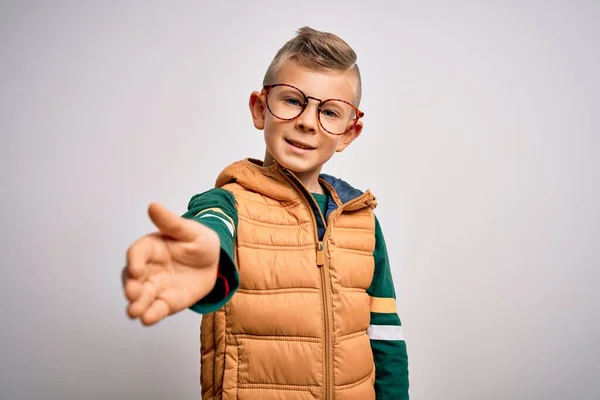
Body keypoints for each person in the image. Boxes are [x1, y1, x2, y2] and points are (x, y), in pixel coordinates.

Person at [122, 26, 409, 400]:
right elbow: (209, 229)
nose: (307, 121)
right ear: (260, 109)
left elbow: (385, 334)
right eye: (293, 101)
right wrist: (206, 252)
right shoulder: (227, 204)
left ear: (348, 134)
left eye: (330, 112)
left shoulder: (362, 220)